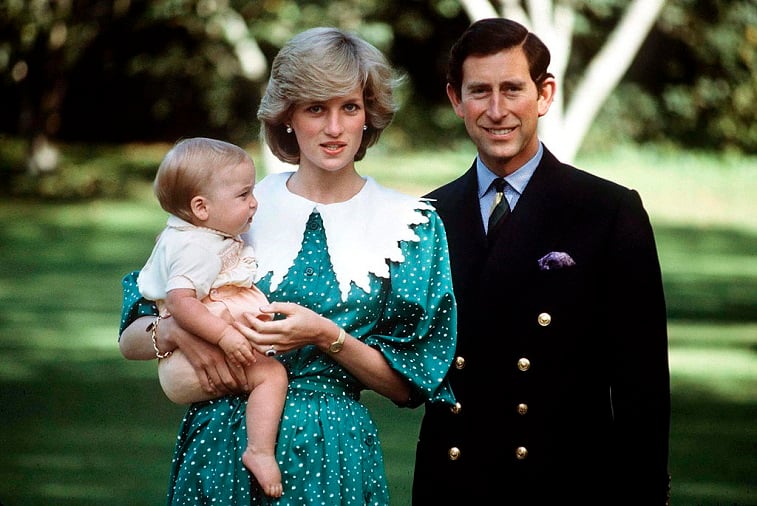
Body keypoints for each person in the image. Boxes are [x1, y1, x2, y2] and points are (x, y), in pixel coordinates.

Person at [119, 27, 458, 505]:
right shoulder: (234, 206)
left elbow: (409, 387)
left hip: (332, 453)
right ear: (288, 118)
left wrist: (325, 334)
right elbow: (131, 337)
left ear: (369, 117)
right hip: (220, 449)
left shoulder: (410, 226)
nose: (334, 128)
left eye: (350, 108)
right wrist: (171, 333)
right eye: (316, 108)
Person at [412, 18, 671, 504]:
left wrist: (646, 491)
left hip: (564, 483)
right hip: (454, 483)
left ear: (545, 94)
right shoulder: (427, 217)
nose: (496, 111)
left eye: (512, 89)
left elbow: (643, 382)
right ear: (455, 100)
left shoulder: (607, 212)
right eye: (479, 92)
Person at [136, 137, 287, 498]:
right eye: (243, 195)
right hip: (193, 360)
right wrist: (225, 336)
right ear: (201, 208)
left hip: (184, 362)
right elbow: (182, 301)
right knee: (271, 374)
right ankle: (260, 451)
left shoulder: (187, 234)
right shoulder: (197, 249)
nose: (254, 202)